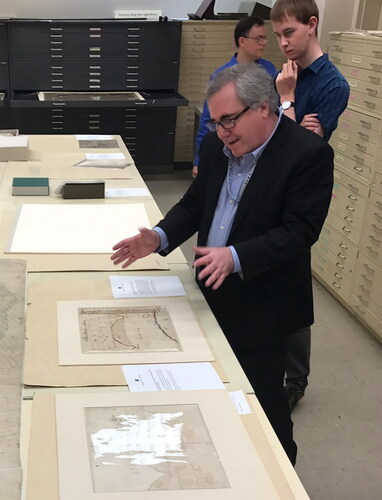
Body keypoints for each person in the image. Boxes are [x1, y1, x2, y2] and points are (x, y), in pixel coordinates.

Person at [111, 64, 334, 465]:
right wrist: (158, 237)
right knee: (208, 390)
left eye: (229, 120)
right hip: (210, 287)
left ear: (264, 108)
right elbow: (196, 203)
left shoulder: (308, 154)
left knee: (264, 402)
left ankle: (281, 476)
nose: (222, 132)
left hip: (265, 302)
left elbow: (299, 232)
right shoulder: (218, 145)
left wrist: (235, 256)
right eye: (215, 123)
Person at [271, 0, 350, 410]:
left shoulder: (332, 85)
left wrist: (286, 102)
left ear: (312, 26)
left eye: (289, 33)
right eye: (278, 35)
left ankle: (295, 380)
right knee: (264, 270)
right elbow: (276, 137)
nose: (282, 43)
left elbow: (303, 152)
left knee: (293, 281)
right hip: (271, 187)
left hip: (302, 197)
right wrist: (292, 119)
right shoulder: (285, 73)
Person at [192, 15, 276, 178]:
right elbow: (207, 122)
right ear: (242, 41)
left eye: (265, 38)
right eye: (259, 38)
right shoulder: (221, 77)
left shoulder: (269, 70)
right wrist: (199, 160)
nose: (264, 43)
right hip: (229, 146)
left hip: (261, 149)